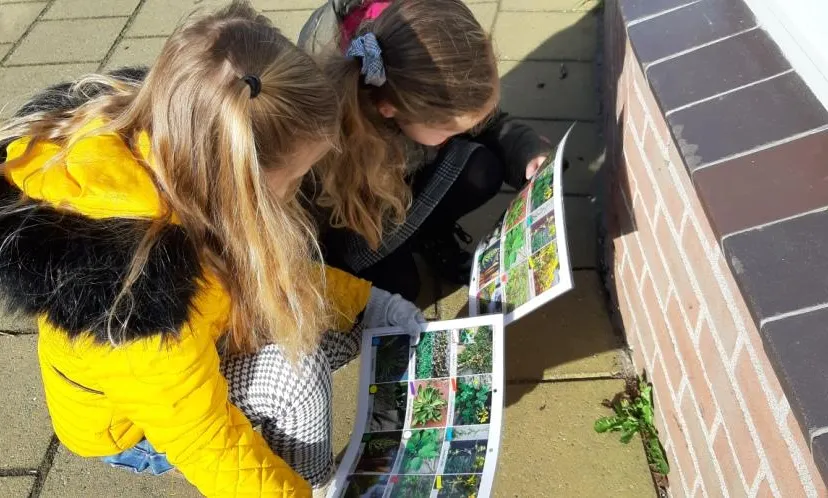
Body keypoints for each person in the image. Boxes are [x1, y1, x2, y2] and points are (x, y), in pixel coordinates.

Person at [0, 2, 421, 496]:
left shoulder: (186, 146)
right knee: (298, 374)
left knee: (342, 331)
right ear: (244, 184)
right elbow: (207, 440)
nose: (303, 187)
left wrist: (373, 305)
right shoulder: (135, 298)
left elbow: (270, 270)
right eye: (298, 177)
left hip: (192, 341)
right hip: (131, 428)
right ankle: (314, 479)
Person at [298, 0, 551, 302]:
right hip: (354, 225)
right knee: (400, 289)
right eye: (449, 131)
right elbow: (314, 235)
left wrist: (526, 152)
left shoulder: (426, 58)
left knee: (483, 169)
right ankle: (411, 240)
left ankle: (427, 234)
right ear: (390, 109)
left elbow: (487, 123)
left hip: (396, 193)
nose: (464, 135)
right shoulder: (325, 137)